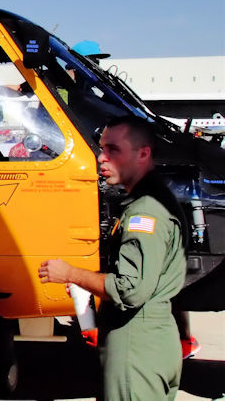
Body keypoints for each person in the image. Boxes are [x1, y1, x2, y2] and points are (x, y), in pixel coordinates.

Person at [39, 116, 186, 401]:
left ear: (143, 154)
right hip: (154, 340)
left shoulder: (145, 212)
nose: (100, 157)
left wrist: (71, 273)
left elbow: (130, 289)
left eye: (113, 150)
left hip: (136, 345)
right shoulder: (158, 200)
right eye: (101, 148)